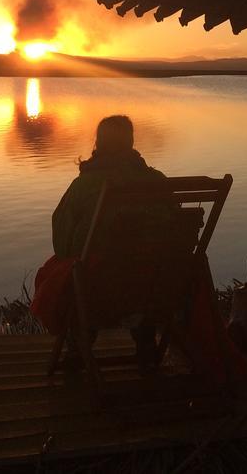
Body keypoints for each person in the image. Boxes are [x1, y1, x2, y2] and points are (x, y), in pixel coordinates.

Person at [31, 115, 173, 368]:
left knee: (63, 272)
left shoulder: (85, 185)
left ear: (99, 142)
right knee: (141, 262)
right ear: (131, 142)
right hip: (159, 284)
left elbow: (63, 246)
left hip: (102, 288)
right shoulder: (158, 181)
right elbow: (175, 235)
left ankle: (78, 348)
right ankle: (146, 342)